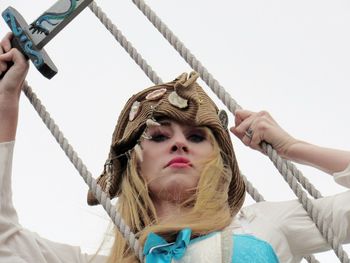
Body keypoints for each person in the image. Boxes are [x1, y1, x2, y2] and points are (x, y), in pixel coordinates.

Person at [1, 32, 350, 263]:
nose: (179, 142)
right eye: (159, 136)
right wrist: (5, 101)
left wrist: (293, 148)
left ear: (218, 162)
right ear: (135, 164)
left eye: (197, 137)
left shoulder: (262, 224)